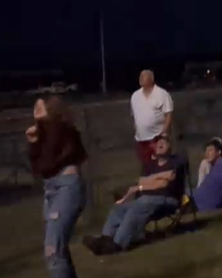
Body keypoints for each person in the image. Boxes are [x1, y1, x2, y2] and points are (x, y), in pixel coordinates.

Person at [82, 136, 186, 255]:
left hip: (168, 200)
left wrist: (148, 182)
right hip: (145, 201)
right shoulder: (149, 165)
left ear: (170, 146)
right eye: (157, 142)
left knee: (141, 204)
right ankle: (106, 239)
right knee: (118, 209)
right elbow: (143, 181)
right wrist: (158, 178)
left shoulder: (177, 160)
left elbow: (166, 181)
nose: (160, 143)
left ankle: (117, 245)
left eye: (164, 141)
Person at [27, 96, 87, 278]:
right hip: (50, 189)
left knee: (53, 250)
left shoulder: (63, 129)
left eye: (42, 104)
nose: (37, 106)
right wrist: (34, 142)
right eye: (35, 104)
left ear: (52, 108)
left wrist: (40, 136)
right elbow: (37, 167)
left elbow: (52, 161)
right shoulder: (41, 133)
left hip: (66, 186)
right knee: (58, 249)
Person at [130, 70, 174, 168]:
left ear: (152, 79)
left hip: (156, 138)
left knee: (160, 166)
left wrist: (163, 134)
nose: (141, 79)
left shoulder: (162, 94)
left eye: (144, 76)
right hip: (141, 140)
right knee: (146, 166)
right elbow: (134, 115)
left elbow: (169, 115)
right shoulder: (135, 96)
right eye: (140, 76)